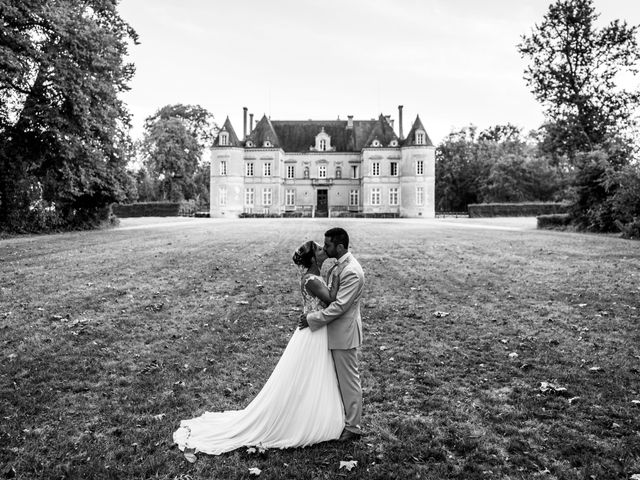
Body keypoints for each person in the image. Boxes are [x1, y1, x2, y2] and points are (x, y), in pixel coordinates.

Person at [173, 241, 344, 459]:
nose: (323, 251)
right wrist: (337, 274)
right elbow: (331, 299)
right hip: (313, 332)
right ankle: (303, 418)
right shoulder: (311, 279)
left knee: (313, 374)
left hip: (315, 328)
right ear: (312, 258)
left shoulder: (315, 276)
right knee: (307, 374)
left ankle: (312, 413)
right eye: (319, 249)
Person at [299, 227, 365, 442]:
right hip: (331, 332)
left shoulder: (351, 271)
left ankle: (353, 426)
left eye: (327, 245)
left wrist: (312, 319)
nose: (324, 248)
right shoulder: (339, 266)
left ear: (339, 246)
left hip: (343, 333)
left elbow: (339, 306)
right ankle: (333, 419)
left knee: (348, 381)